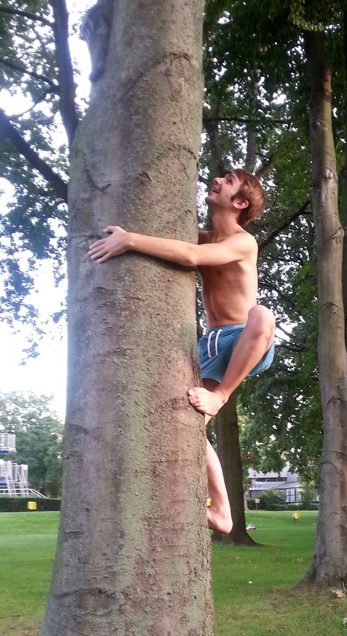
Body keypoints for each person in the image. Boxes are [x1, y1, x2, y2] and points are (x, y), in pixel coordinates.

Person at [88, 168, 276, 534]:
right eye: (219, 177)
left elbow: (190, 256)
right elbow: (178, 244)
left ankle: (220, 396)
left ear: (239, 202)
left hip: (245, 340)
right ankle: (222, 512)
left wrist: (129, 241)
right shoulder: (206, 237)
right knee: (187, 424)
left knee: (263, 315)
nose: (217, 181)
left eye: (228, 181)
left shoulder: (243, 242)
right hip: (211, 344)